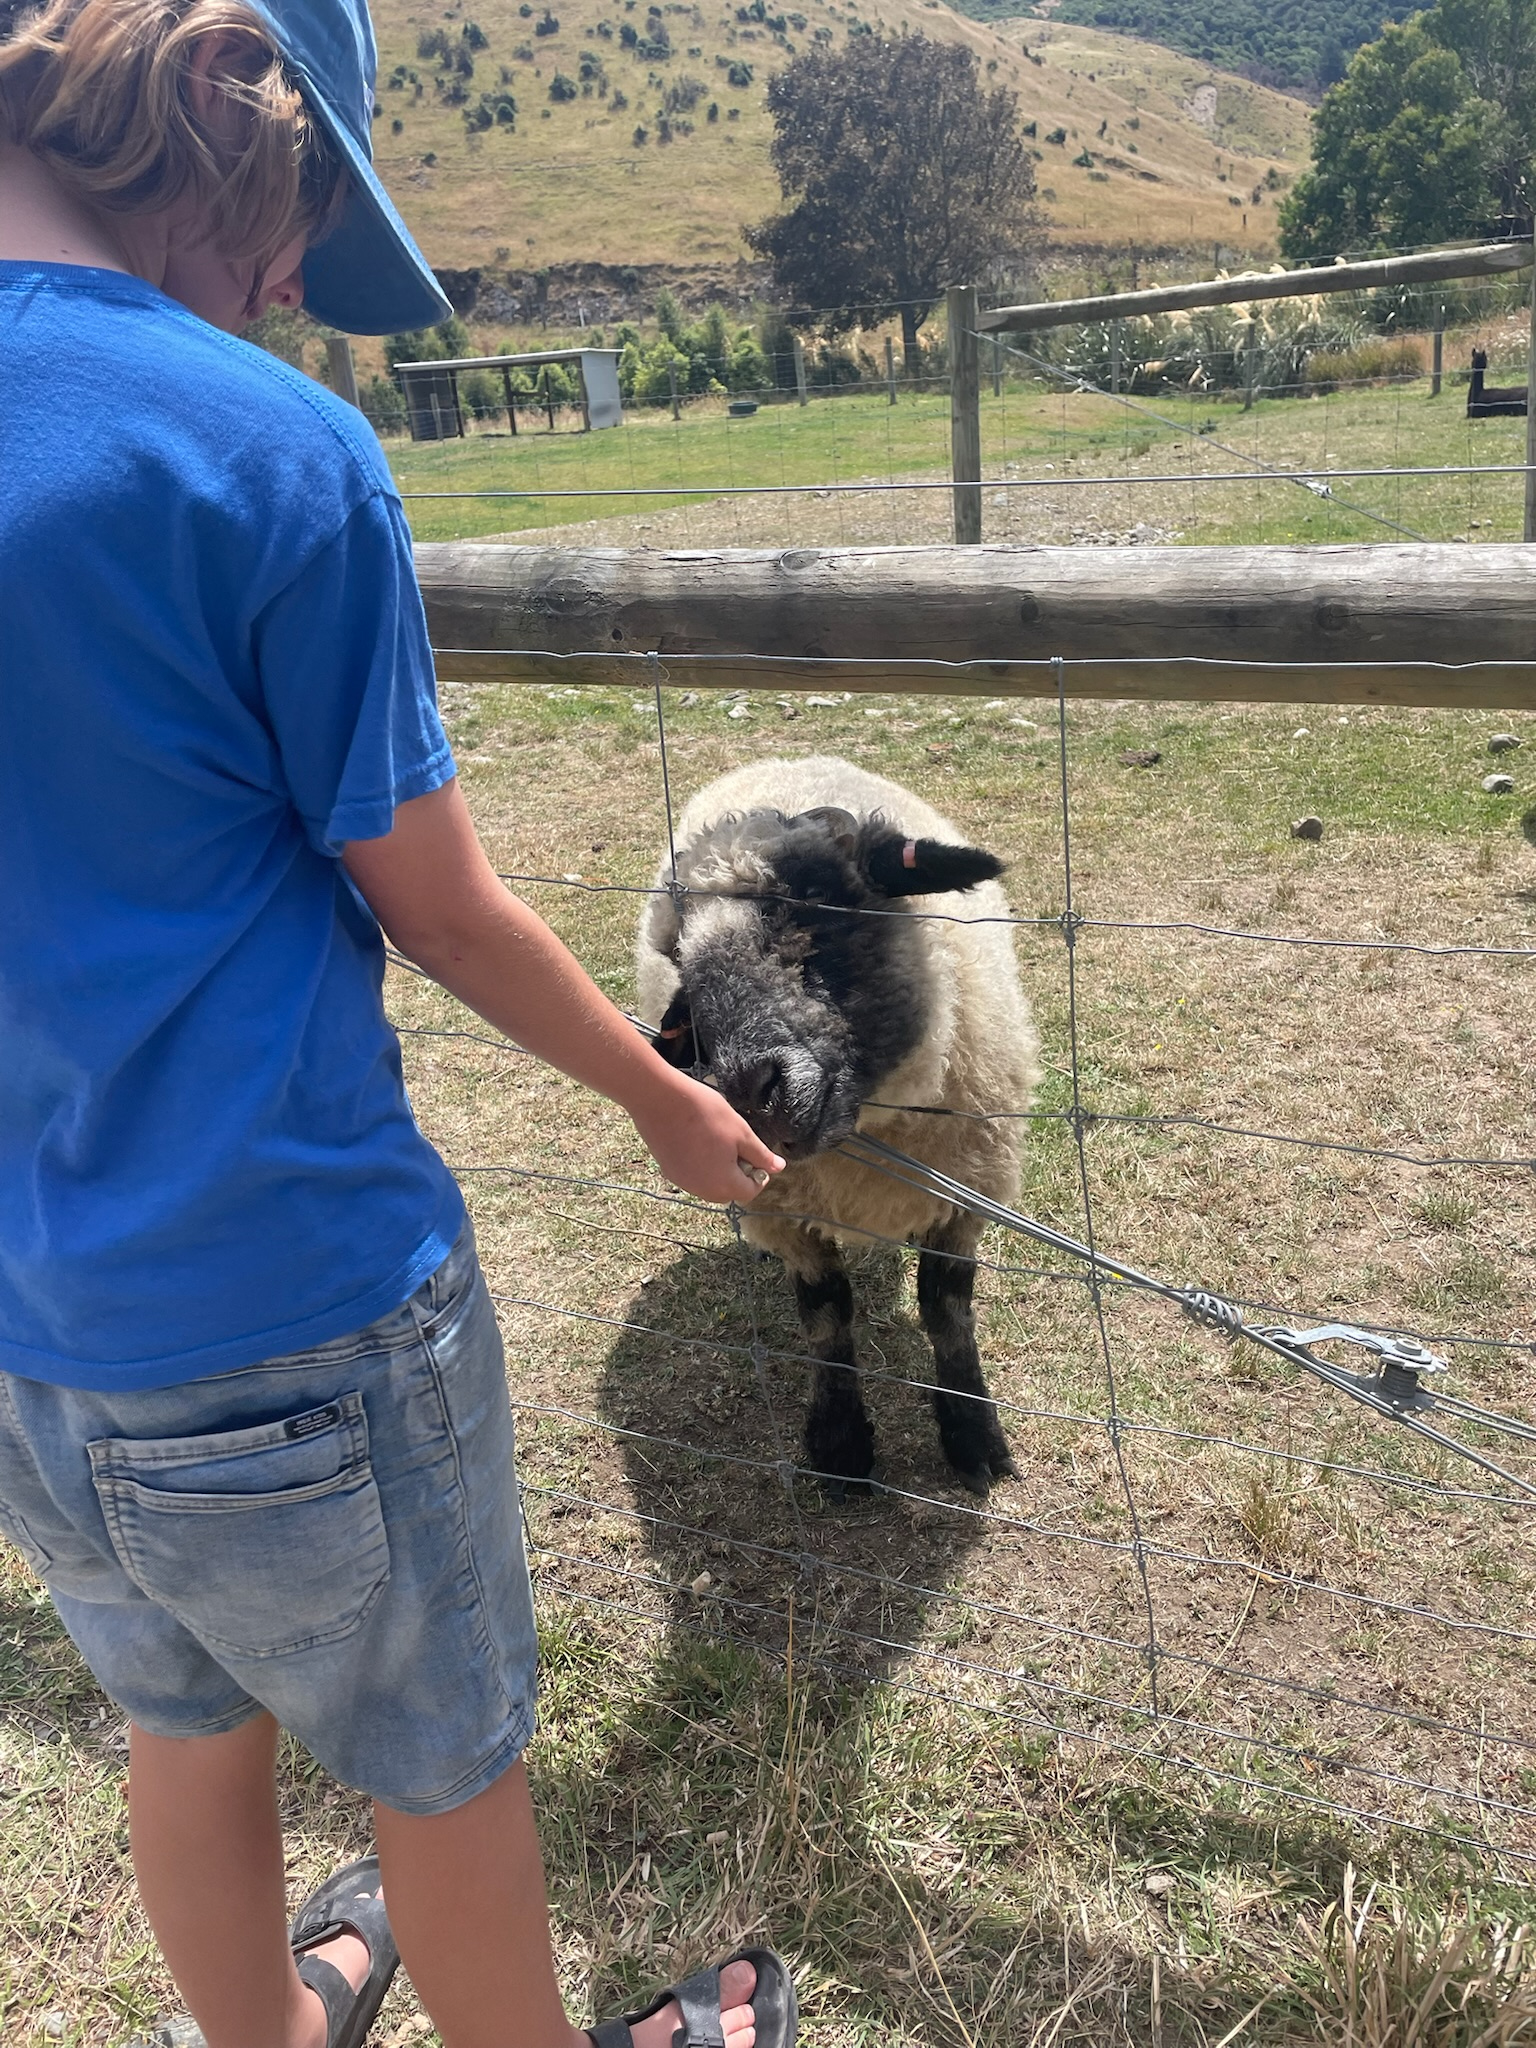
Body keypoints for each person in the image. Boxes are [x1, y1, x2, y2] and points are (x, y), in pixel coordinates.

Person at [0, 0, 799, 2043]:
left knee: (179, 1723)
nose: (291, 287)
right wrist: (657, 1096)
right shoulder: (263, 452)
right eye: (296, 211)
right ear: (208, 91)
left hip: (37, 1326)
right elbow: (434, 902)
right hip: (295, 1292)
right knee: (439, 1752)